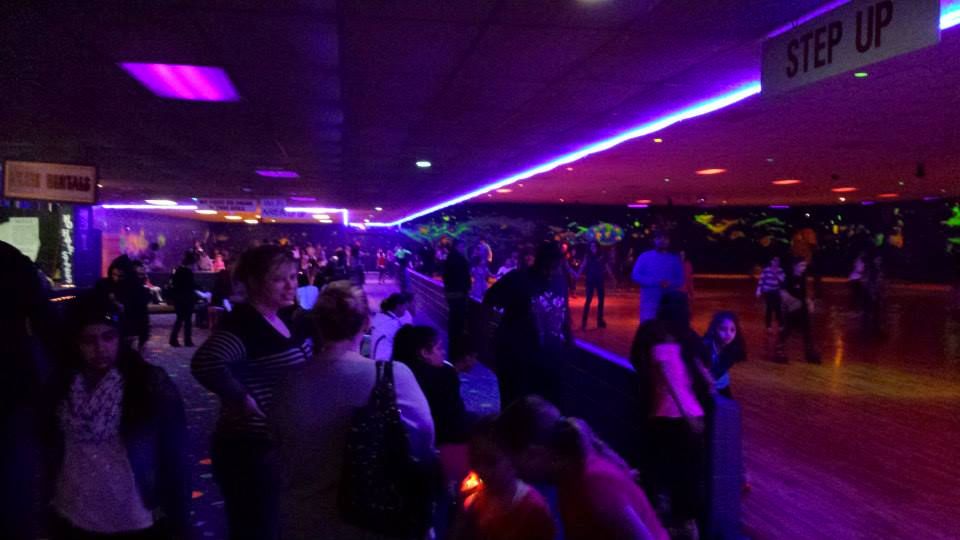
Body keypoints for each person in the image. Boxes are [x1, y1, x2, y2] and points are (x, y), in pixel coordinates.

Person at [269, 282, 434, 539]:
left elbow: (278, 446)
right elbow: (423, 440)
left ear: (318, 324)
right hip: (374, 518)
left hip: (304, 518)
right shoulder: (392, 376)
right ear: (366, 323)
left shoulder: (287, 381)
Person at [191, 245, 312, 539]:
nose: (290, 285)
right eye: (279, 279)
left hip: (275, 442)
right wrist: (243, 399)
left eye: (294, 277)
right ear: (255, 283)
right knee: (257, 528)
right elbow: (206, 362)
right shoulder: (244, 324)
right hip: (250, 446)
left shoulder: (280, 318)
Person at [42, 295, 188, 539]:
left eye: (108, 337)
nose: (100, 349)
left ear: (120, 337)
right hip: (73, 507)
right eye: (88, 340)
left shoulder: (147, 383)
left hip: (131, 511)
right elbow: (50, 446)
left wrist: (179, 518)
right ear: (74, 343)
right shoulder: (62, 384)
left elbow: (174, 456)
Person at [495, 397, 668, 540]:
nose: (514, 472)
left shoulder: (593, 486)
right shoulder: (569, 475)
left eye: (513, 462)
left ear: (533, 453)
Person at [630, 319, 714, 539]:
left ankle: (673, 524)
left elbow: (665, 380)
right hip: (686, 416)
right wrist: (690, 415)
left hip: (666, 417)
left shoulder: (655, 341)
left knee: (665, 472)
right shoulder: (685, 343)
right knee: (688, 475)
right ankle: (687, 525)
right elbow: (694, 378)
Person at [483, 241, 572, 409]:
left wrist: (568, 342)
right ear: (542, 261)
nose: (554, 270)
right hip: (518, 360)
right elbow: (488, 301)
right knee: (517, 408)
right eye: (551, 265)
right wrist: (491, 340)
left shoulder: (560, 281)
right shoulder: (518, 279)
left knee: (547, 409)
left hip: (548, 361)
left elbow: (563, 313)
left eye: (558, 265)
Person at [452, 416, 555, 540]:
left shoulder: (534, 509)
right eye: (475, 460)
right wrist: (462, 514)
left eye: (491, 462)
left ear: (513, 458)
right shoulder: (477, 500)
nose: (481, 470)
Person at [393, 324, 470, 446]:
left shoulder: (394, 372)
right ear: (424, 353)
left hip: (400, 445)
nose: (443, 352)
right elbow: (455, 422)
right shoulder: (445, 375)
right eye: (439, 348)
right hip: (441, 446)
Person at [775, 257, 821, 364]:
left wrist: (808, 301)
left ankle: (809, 352)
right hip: (792, 310)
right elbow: (782, 293)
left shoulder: (802, 277)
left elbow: (802, 293)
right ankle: (779, 350)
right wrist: (795, 303)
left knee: (807, 331)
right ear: (794, 266)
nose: (803, 268)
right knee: (787, 330)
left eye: (804, 266)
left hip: (802, 309)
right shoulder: (788, 278)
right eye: (801, 266)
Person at [631, 232, 685, 322]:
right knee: (648, 328)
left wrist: (670, 283)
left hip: (669, 303)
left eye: (665, 238)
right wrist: (654, 282)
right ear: (654, 240)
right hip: (649, 302)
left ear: (669, 241)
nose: (662, 241)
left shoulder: (674, 259)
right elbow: (635, 275)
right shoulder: (644, 257)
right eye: (659, 238)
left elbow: (680, 279)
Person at [703, 311, 746, 399]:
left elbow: (716, 372)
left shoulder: (733, 348)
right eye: (723, 329)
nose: (728, 334)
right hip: (704, 388)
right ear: (714, 329)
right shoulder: (706, 344)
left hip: (721, 386)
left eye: (732, 330)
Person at [443, 240, 471, 362]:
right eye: (463, 246)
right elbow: (465, 278)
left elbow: (445, 276)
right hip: (459, 294)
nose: (464, 248)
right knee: (458, 324)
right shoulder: (460, 259)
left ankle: (452, 351)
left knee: (453, 321)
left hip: (451, 294)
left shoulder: (449, 258)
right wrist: (466, 290)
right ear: (459, 246)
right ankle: (457, 353)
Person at [578, 243, 612, 330]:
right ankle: (584, 322)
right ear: (589, 247)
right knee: (588, 300)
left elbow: (606, 266)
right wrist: (577, 274)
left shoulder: (602, 255)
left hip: (599, 280)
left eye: (594, 246)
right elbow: (583, 265)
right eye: (591, 246)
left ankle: (600, 321)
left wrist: (612, 276)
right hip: (590, 280)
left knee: (601, 300)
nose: (593, 248)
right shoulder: (588, 256)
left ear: (597, 247)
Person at [369, 292, 411, 361]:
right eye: (405, 307)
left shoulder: (379, 316)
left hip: (373, 358)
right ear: (398, 306)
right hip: (383, 363)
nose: (405, 311)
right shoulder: (393, 324)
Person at [168, 252, 197, 347]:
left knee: (180, 319)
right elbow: (191, 285)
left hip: (178, 299)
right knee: (187, 320)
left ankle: (174, 339)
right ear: (191, 263)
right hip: (187, 299)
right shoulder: (188, 272)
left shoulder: (177, 270)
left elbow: (173, 284)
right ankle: (187, 340)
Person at [756, 255, 786, 331]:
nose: (776, 263)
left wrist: (776, 274)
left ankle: (781, 325)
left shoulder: (780, 270)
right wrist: (758, 290)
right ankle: (768, 326)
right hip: (768, 291)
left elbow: (782, 280)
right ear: (771, 261)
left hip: (776, 291)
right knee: (769, 308)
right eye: (775, 261)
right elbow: (761, 280)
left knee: (778, 308)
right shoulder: (766, 270)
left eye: (778, 261)